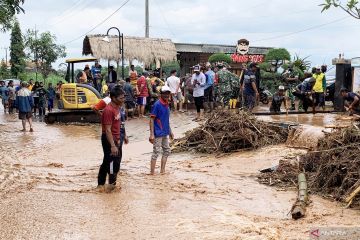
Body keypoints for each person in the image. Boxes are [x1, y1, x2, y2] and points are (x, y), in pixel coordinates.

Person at [97, 86, 126, 191]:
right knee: (112, 164)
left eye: (124, 97)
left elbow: (119, 124)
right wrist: (113, 145)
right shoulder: (108, 110)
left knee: (110, 161)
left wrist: (124, 136)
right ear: (113, 98)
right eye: (121, 98)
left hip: (116, 138)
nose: (123, 100)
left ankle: (101, 185)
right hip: (109, 139)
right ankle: (111, 188)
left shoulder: (117, 107)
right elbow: (108, 130)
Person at [149, 85, 174, 175]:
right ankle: (152, 172)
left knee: (167, 150)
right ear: (161, 94)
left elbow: (166, 119)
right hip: (158, 132)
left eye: (168, 94)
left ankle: (162, 171)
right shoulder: (157, 104)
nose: (166, 95)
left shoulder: (167, 104)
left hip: (165, 132)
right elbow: (151, 119)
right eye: (164, 94)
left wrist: (170, 131)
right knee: (156, 152)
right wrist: (151, 134)